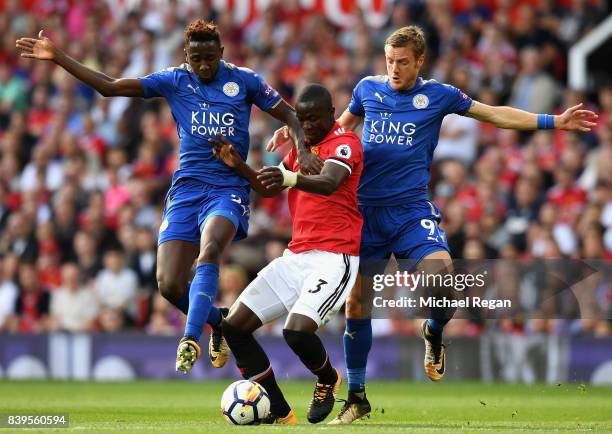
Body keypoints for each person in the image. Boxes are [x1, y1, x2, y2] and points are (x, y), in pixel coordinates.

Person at [268, 26, 598, 424]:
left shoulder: (439, 96)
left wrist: (553, 122)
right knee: (358, 304)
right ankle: (356, 397)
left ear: (419, 61)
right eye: (389, 60)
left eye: (402, 62)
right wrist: (299, 132)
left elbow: (495, 115)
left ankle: (433, 332)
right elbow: (335, 130)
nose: (394, 68)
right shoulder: (367, 90)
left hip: (410, 212)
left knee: (444, 283)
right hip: (364, 213)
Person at [16, 20, 321, 373]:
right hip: (186, 190)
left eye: (210, 57)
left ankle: (190, 338)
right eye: (196, 59)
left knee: (209, 251)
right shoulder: (175, 80)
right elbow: (110, 87)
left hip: (228, 187)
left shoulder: (245, 81)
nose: (204, 65)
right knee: (169, 285)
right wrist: (58, 57)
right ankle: (219, 322)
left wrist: (304, 146)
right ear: (186, 56)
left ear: (221, 53)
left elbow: (289, 114)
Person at [211, 84, 363, 424]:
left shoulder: (345, 142)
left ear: (331, 113)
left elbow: (329, 182)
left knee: (295, 331)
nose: (306, 126)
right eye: (302, 119)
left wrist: (290, 176)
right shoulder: (300, 147)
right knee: (234, 327)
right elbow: (270, 186)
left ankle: (327, 378)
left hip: (335, 256)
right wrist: (239, 166)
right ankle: (279, 412)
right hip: (295, 256)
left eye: (313, 119)